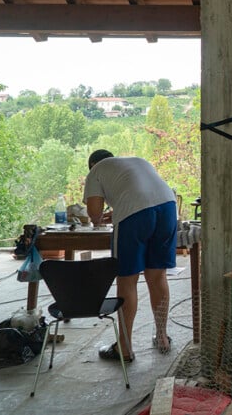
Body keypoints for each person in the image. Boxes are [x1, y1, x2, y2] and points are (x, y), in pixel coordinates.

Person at [84, 149, 177, 362]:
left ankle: (124, 348)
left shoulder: (95, 172)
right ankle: (162, 337)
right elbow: (141, 192)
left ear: (92, 165)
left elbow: (94, 214)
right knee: (158, 276)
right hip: (168, 207)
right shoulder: (137, 159)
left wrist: (103, 216)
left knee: (127, 280)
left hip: (134, 214)